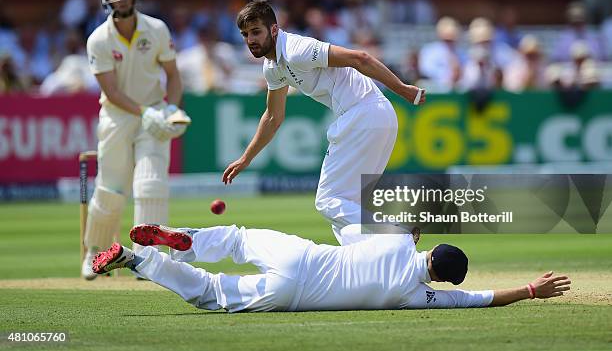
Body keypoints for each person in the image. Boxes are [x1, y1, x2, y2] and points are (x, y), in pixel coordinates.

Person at [222, 0, 425, 244]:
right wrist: (246, 158)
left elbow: (360, 58)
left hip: (363, 114)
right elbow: (273, 116)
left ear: (274, 30)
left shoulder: (297, 49)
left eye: (256, 32)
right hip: (375, 117)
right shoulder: (272, 67)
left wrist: (402, 89)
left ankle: (398, 236)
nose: (250, 40)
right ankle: (374, 267)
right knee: (347, 208)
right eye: (245, 35)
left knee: (329, 201)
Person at [92, 223, 571, 313]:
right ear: (442, 278)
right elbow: (481, 298)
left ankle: (186, 240)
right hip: (292, 295)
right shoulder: (417, 296)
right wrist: (530, 290)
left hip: (301, 255)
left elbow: (403, 225)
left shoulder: (398, 240)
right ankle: (139, 260)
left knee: (235, 239)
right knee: (212, 293)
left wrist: (411, 232)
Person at [81, 0, 190, 280]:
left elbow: (173, 75)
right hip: (117, 116)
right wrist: (145, 112)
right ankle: (95, 251)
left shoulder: (155, 29)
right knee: (111, 189)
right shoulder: (98, 39)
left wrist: (170, 109)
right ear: (107, 1)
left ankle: (149, 259)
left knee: (151, 184)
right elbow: (111, 92)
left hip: (154, 113)